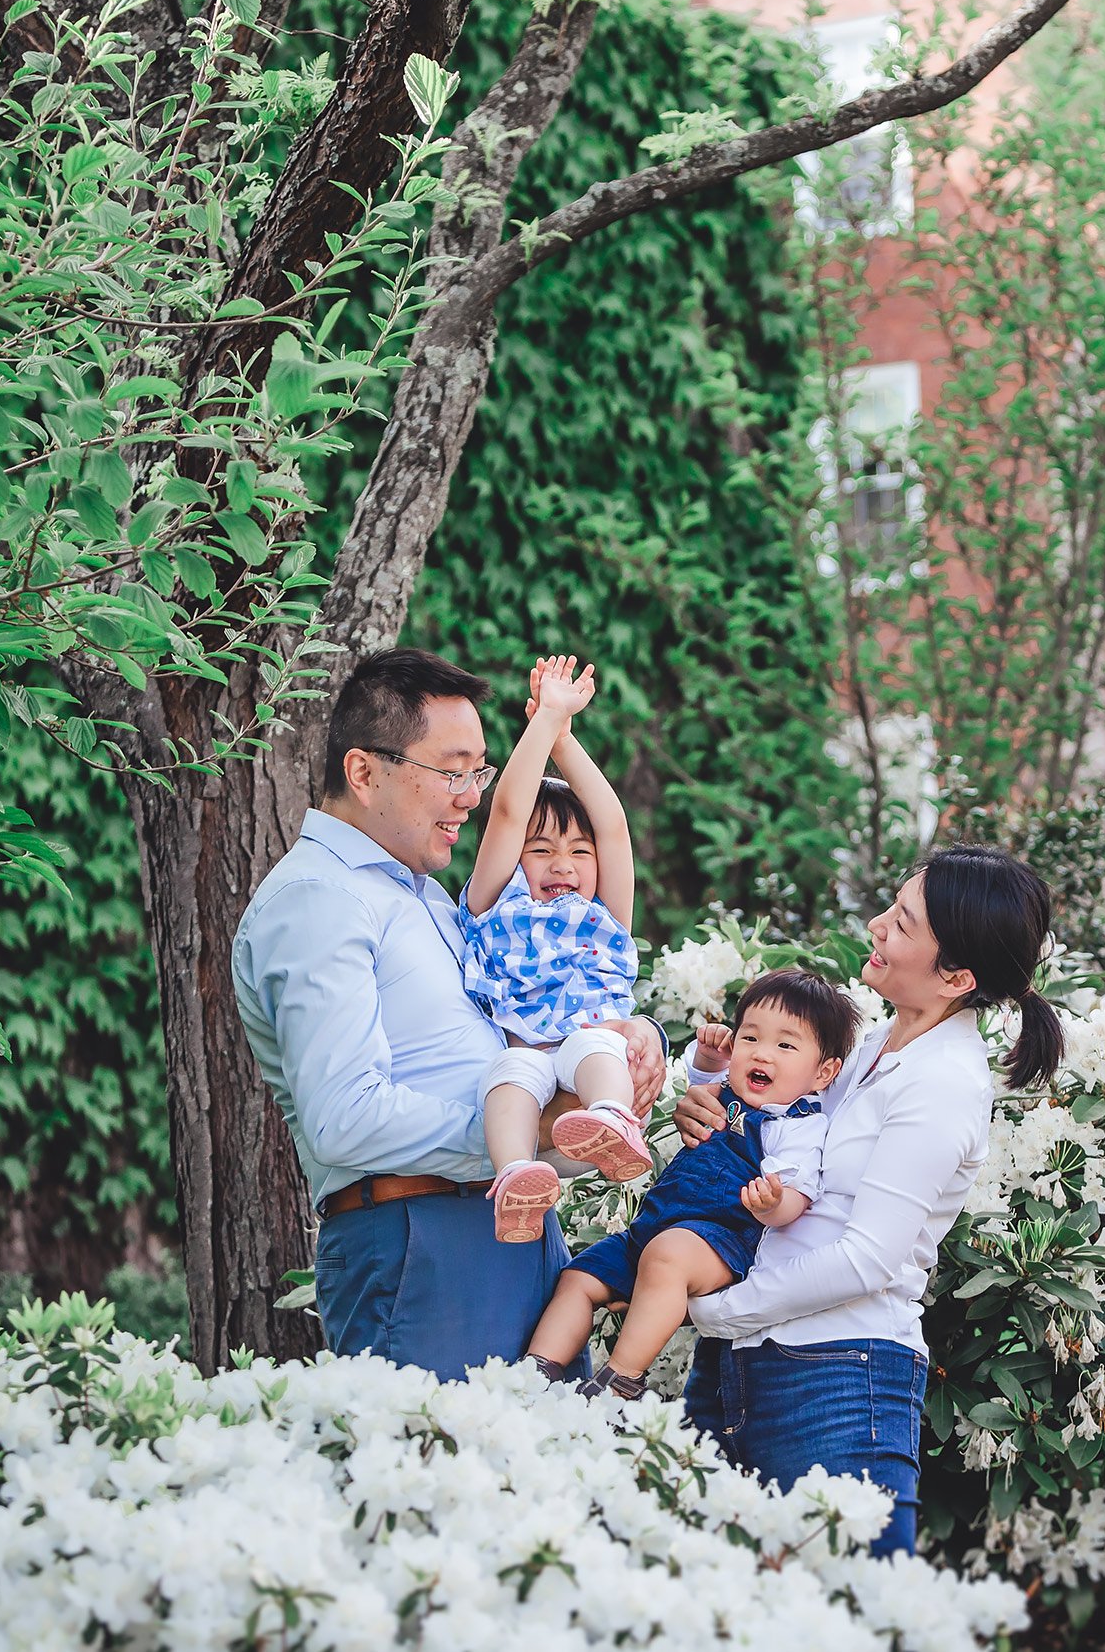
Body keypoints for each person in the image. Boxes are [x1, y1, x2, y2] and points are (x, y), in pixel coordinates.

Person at [230, 648, 664, 1379]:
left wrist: (627, 1038)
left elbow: (533, 1025)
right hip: (419, 1241)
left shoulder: (432, 899)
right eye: (451, 771)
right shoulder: (319, 898)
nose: (469, 796)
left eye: (479, 772)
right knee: (446, 1475)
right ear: (365, 772)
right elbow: (344, 1116)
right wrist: (522, 1134)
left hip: (513, 1227)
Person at [674, 845, 1063, 1557]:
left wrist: (713, 1310)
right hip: (744, 1361)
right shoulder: (870, 1040)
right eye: (893, 905)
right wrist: (708, 1109)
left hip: (839, 1379)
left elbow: (867, 1258)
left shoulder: (944, 1082)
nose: (879, 925)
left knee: (850, 1616)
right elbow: (782, 1131)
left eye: (904, 923)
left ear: (959, 976)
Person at [523, 970, 858, 1399]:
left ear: (823, 1073)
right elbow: (699, 1087)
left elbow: (797, 1195)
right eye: (750, 1038)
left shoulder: (795, 1126)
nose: (762, 1054)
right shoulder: (724, 1093)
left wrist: (772, 1203)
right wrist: (709, 1058)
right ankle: (535, 1376)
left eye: (785, 1045)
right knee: (580, 1277)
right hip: (653, 1228)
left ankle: (621, 1379)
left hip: (721, 1239)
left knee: (667, 1257)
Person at [455, 656, 648, 1241]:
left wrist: (564, 739)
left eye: (577, 851)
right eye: (540, 850)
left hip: (586, 1047)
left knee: (597, 1048)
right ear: (515, 860)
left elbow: (612, 826)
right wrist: (544, 726)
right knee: (507, 1080)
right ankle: (517, 1179)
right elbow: (510, 812)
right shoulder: (494, 906)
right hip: (528, 1052)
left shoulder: (603, 916)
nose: (562, 863)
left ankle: (612, 1123)